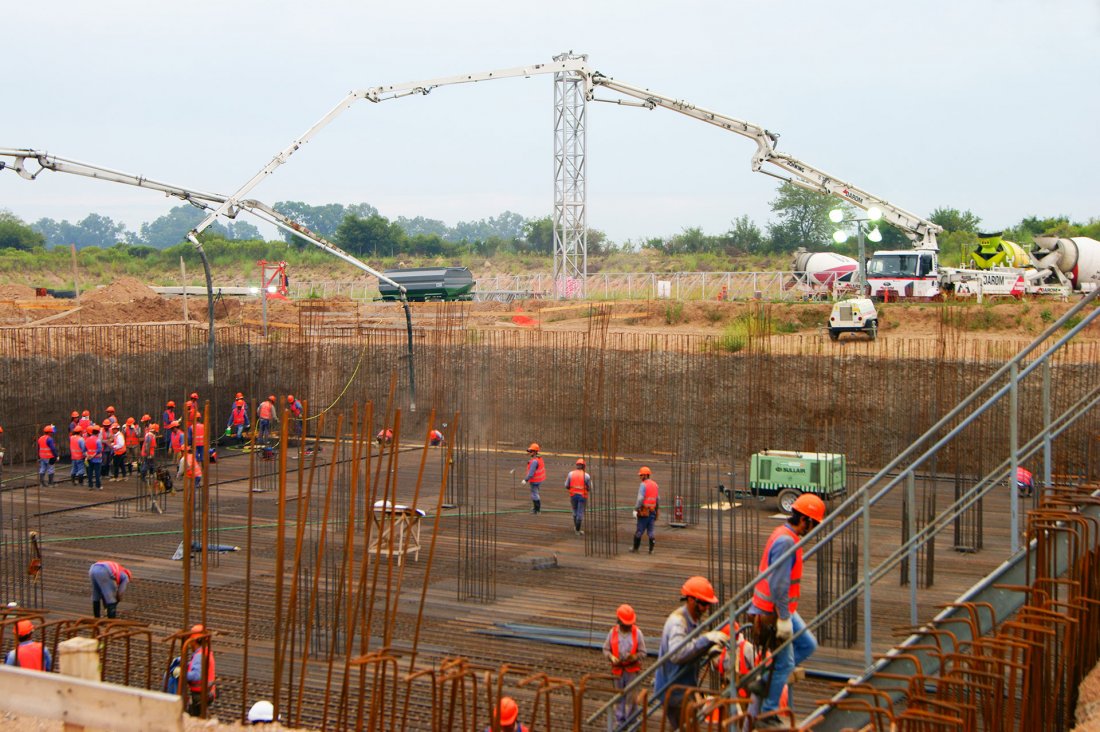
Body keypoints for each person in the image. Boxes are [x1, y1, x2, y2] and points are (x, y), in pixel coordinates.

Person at [748, 493, 825, 729]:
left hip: (783, 610)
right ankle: (769, 711)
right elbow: (779, 584)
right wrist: (782, 619)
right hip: (772, 612)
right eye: (813, 525)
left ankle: (766, 679)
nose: (813, 530)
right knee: (785, 662)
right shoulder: (786, 541)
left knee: (808, 644)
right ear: (805, 520)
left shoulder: (788, 536)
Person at [653, 576, 730, 730]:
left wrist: (707, 650)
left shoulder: (693, 620)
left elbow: (690, 651)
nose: (705, 608)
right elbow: (677, 654)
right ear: (690, 600)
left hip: (683, 688)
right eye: (702, 603)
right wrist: (705, 640)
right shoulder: (678, 622)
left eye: (707, 604)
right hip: (674, 690)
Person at [603, 604, 647, 727]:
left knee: (631, 698)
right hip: (617, 671)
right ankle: (620, 722)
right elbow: (606, 649)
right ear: (620, 622)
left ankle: (632, 722)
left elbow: (643, 652)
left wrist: (634, 657)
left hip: (632, 670)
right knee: (618, 697)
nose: (628, 627)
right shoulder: (613, 633)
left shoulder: (637, 633)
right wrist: (612, 657)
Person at [185, 624, 217, 717]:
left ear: (194, 641)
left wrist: (182, 674)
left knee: (194, 715)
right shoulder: (205, 651)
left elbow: (196, 675)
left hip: (200, 694)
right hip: (208, 691)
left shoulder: (199, 655)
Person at [632, 466, 660, 554]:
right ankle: (651, 550)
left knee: (639, 531)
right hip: (652, 511)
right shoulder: (655, 484)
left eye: (641, 475)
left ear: (645, 475)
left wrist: (636, 509)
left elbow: (640, 498)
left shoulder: (643, 485)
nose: (640, 477)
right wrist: (657, 510)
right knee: (651, 532)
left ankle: (635, 549)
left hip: (644, 512)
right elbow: (658, 498)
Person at [564, 458, 592, 535]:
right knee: (580, 512)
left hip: (573, 495)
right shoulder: (586, 476)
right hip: (582, 496)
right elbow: (590, 487)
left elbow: (566, 485)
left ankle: (576, 527)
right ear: (584, 466)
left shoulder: (571, 474)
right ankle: (577, 530)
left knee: (575, 511)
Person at [521, 443, 546, 515]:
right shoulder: (539, 458)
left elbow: (531, 473)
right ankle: (536, 508)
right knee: (536, 493)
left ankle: (537, 510)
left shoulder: (534, 461)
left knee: (534, 494)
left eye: (531, 451)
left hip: (535, 480)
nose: (529, 453)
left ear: (535, 452)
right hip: (540, 479)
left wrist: (525, 480)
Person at [85, 424, 104, 490]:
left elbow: (85, 449)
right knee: (97, 473)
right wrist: (94, 454)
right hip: (97, 459)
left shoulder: (87, 439)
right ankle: (98, 486)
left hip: (89, 459)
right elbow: (100, 449)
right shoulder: (98, 440)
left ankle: (90, 485)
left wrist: (88, 455)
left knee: (90, 473)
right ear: (98, 432)